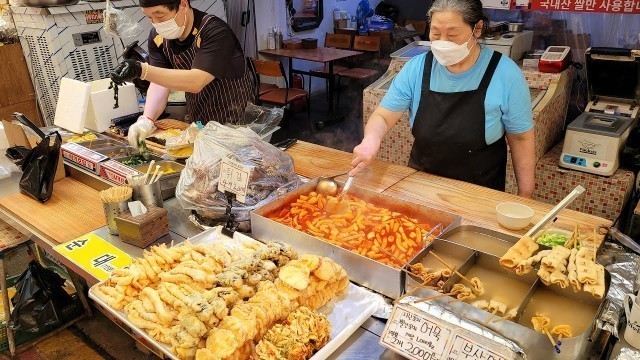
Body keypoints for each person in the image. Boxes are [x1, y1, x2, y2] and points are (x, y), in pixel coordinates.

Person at [349, 0, 535, 197]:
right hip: (421, 188)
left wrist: (526, 196)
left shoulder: (506, 74)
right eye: (436, 33)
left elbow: (521, 138)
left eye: (452, 35)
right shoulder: (416, 68)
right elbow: (383, 117)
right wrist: (371, 140)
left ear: (477, 28)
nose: (442, 42)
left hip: (480, 194)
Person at [110, 0, 255, 148]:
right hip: (200, 118)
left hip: (235, 121)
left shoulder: (214, 31)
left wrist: (143, 70)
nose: (156, 23)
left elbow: (196, 81)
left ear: (183, 5)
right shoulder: (158, 38)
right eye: (149, 17)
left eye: (160, 16)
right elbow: (159, 83)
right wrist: (146, 119)